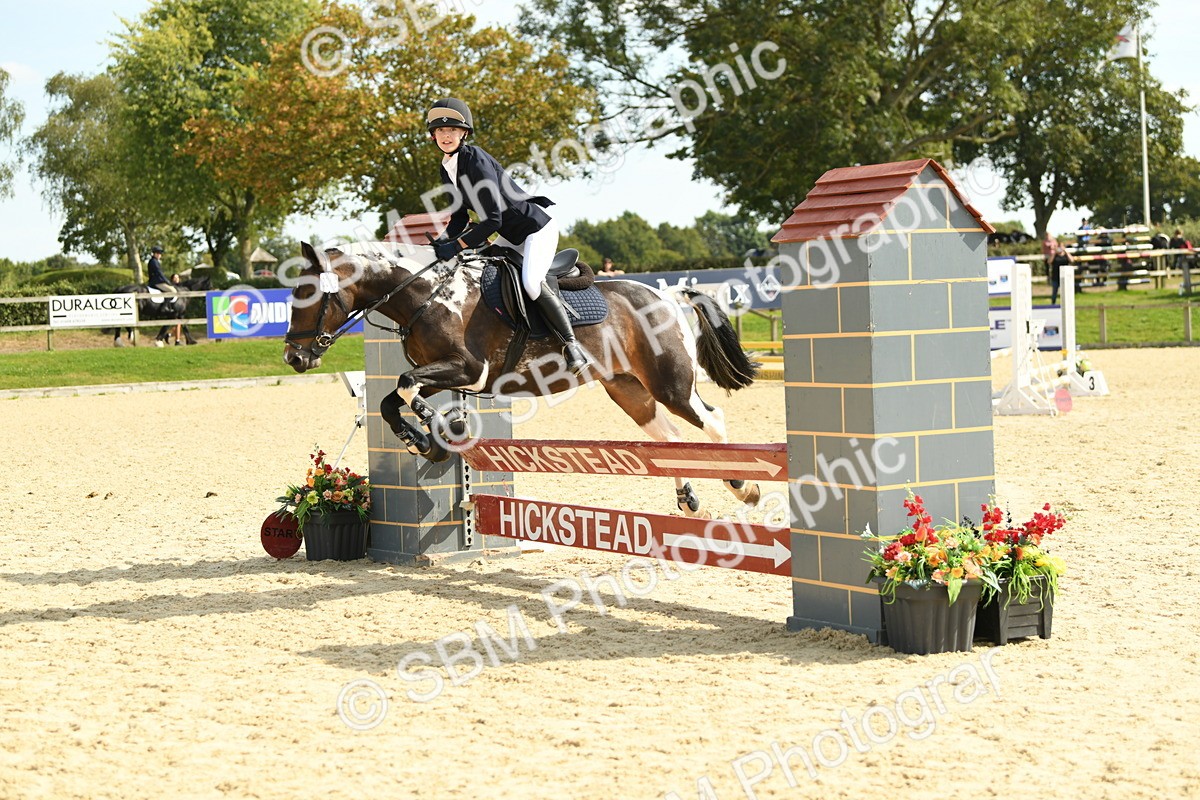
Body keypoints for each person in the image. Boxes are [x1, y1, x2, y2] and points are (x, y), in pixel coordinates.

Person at [424, 97, 588, 375]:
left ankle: (572, 345)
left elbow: (492, 220)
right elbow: (460, 217)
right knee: (480, 273)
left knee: (532, 283)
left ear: (464, 133)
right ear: (433, 135)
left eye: (452, 130)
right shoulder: (446, 167)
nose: (446, 135)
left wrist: (458, 245)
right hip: (509, 235)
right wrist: (441, 242)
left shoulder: (475, 160)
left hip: (535, 229)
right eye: (440, 131)